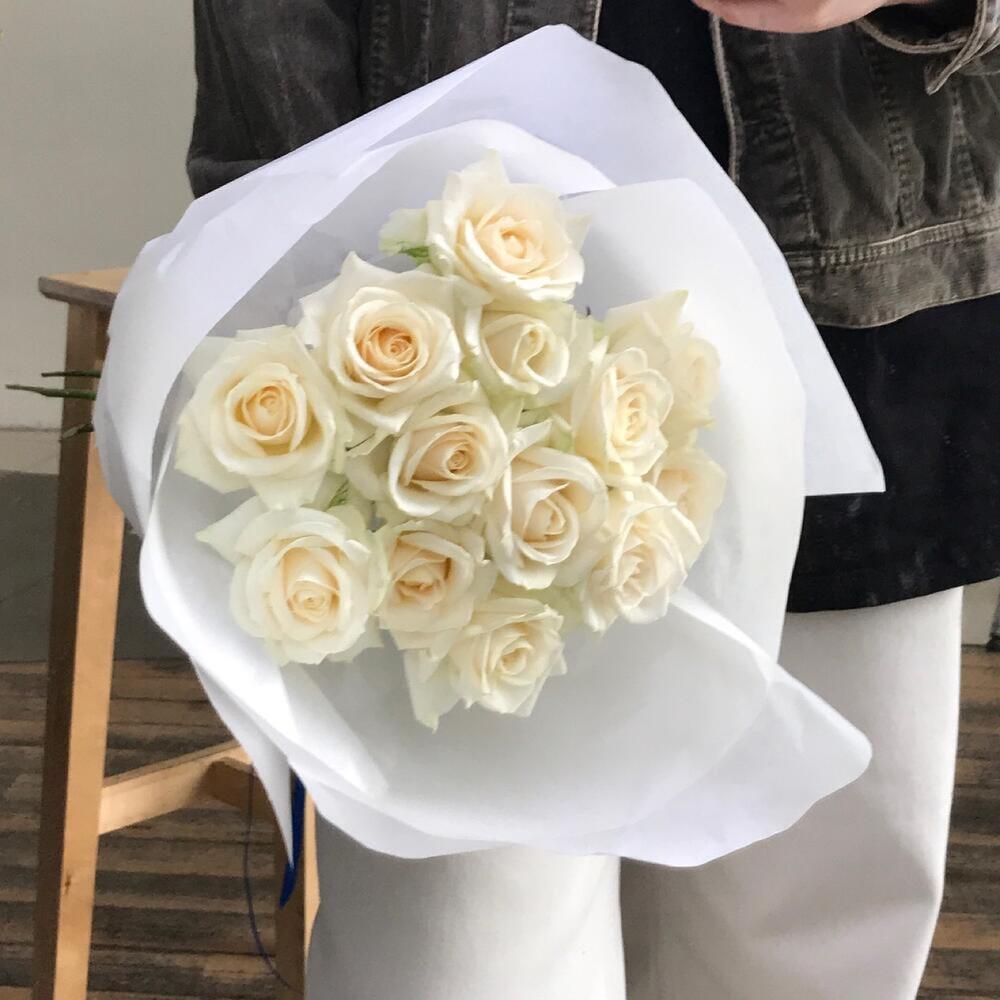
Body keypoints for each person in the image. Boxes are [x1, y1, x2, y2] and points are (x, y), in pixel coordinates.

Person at [187, 2, 1000, 997]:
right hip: (438, 302)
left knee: (807, 946)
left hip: (861, 285)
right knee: (464, 955)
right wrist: (287, 242)